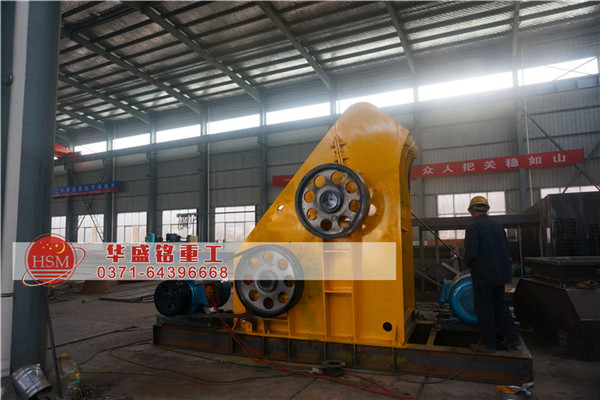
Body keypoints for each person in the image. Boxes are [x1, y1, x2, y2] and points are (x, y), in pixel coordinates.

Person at [464, 196, 520, 352]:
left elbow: (472, 253)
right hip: (500, 275)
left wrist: (467, 262)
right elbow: (505, 250)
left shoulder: (473, 228)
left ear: (472, 211)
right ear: (486, 209)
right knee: (501, 306)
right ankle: (513, 338)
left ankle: (489, 344)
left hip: (484, 276)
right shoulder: (498, 227)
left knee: (485, 309)